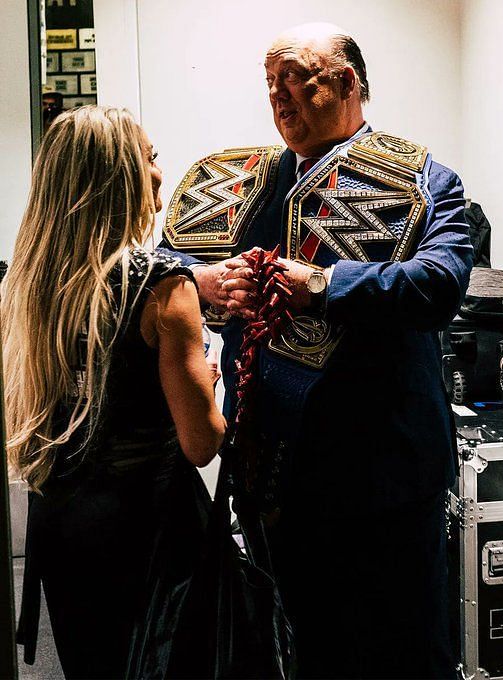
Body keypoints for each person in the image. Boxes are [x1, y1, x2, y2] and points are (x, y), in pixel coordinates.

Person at [160, 23, 473, 678]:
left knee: (407, 650)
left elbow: (439, 283)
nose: (280, 96)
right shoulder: (246, 182)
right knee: (299, 648)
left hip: (388, 474)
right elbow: (170, 265)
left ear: (348, 82)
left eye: (297, 78)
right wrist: (212, 289)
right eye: (271, 83)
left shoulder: (424, 181)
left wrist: (325, 285)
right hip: (277, 472)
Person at [2, 105, 226, 679]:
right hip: (150, 534)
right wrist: (208, 373)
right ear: (119, 173)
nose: (160, 171)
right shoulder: (162, 287)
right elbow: (202, 441)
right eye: (149, 157)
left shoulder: (29, 284)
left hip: (66, 527)